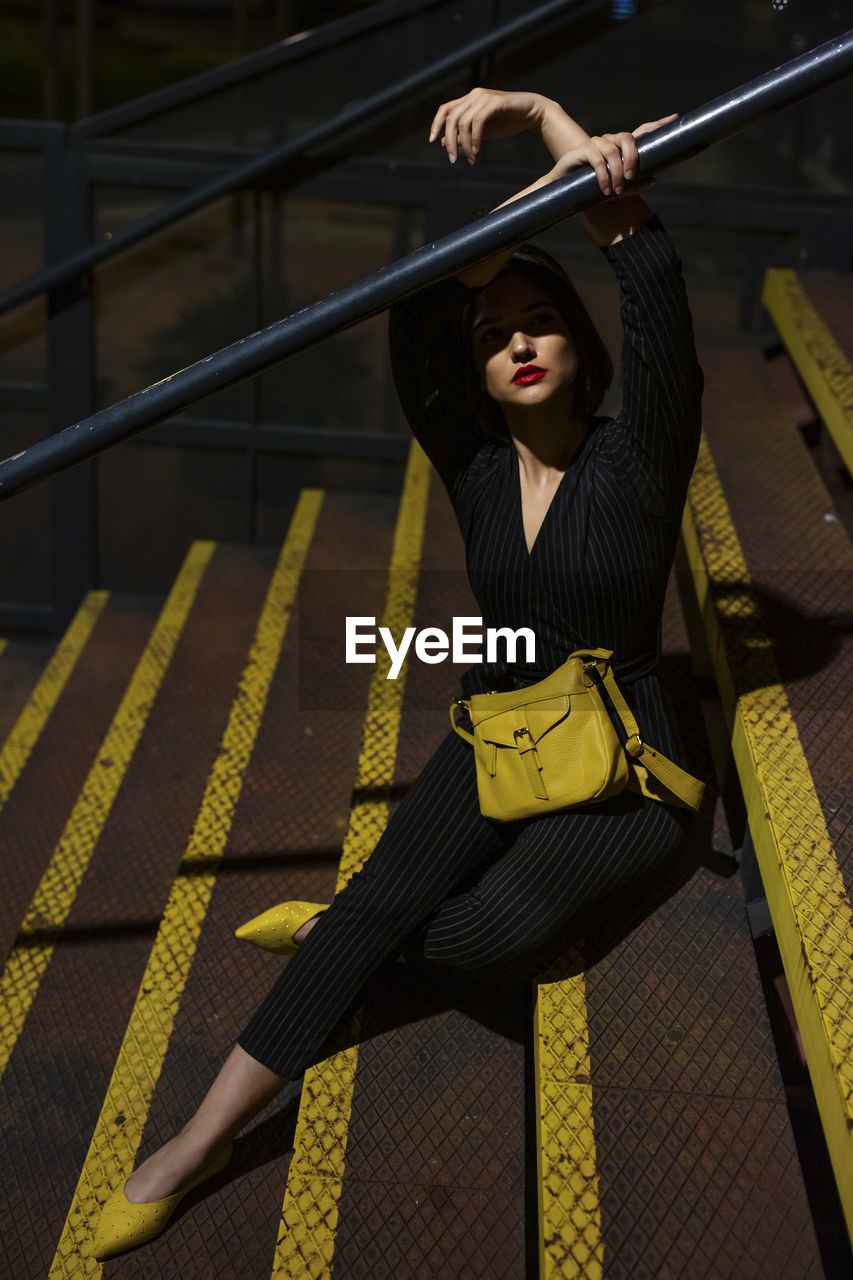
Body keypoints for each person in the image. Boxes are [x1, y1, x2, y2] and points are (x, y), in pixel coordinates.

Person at [93, 88, 704, 1260]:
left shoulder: (639, 455)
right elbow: (417, 315)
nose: (517, 343)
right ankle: (199, 1141)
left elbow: (654, 296)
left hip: (631, 760)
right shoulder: (472, 469)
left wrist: (553, 123)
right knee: (377, 893)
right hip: (504, 723)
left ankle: (352, 940)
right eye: (495, 333)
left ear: (577, 344)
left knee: (490, 934)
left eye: (542, 321)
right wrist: (503, 221)